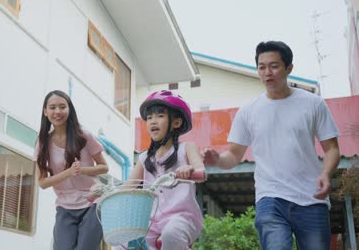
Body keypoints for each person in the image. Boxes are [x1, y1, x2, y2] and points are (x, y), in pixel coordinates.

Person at [203, 41, 340, 250]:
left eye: (274, 66)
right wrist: (217, 160)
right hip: (270, 197)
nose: (267, 73)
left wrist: (326, 174)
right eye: (261, 67)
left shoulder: (313, 104)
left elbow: (331, 148)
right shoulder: (248, 111)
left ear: (289, 68)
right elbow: (233, 155)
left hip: (312, 199)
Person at [128, 90, 206, 250]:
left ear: (176, 122)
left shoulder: (187, 148)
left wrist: (190, 169)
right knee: (127, 240)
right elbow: (128, 185)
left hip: (182, 217)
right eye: (149, 118)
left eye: (160, 116)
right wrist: (102, 192)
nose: (153, 121)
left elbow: (201, 171)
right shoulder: (144, 158)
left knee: (171, 234)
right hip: (151, 220)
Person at [35, 90, 109, 250]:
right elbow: (42, 182)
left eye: (62, 107)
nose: (58, 112)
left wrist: (83, 170)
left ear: (69, 109)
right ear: (45, 111)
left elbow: (104, 167)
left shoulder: (84, 135)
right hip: (65, 206)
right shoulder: (43, 142)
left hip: (92, 202)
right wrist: (68, 173)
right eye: (53, 107)